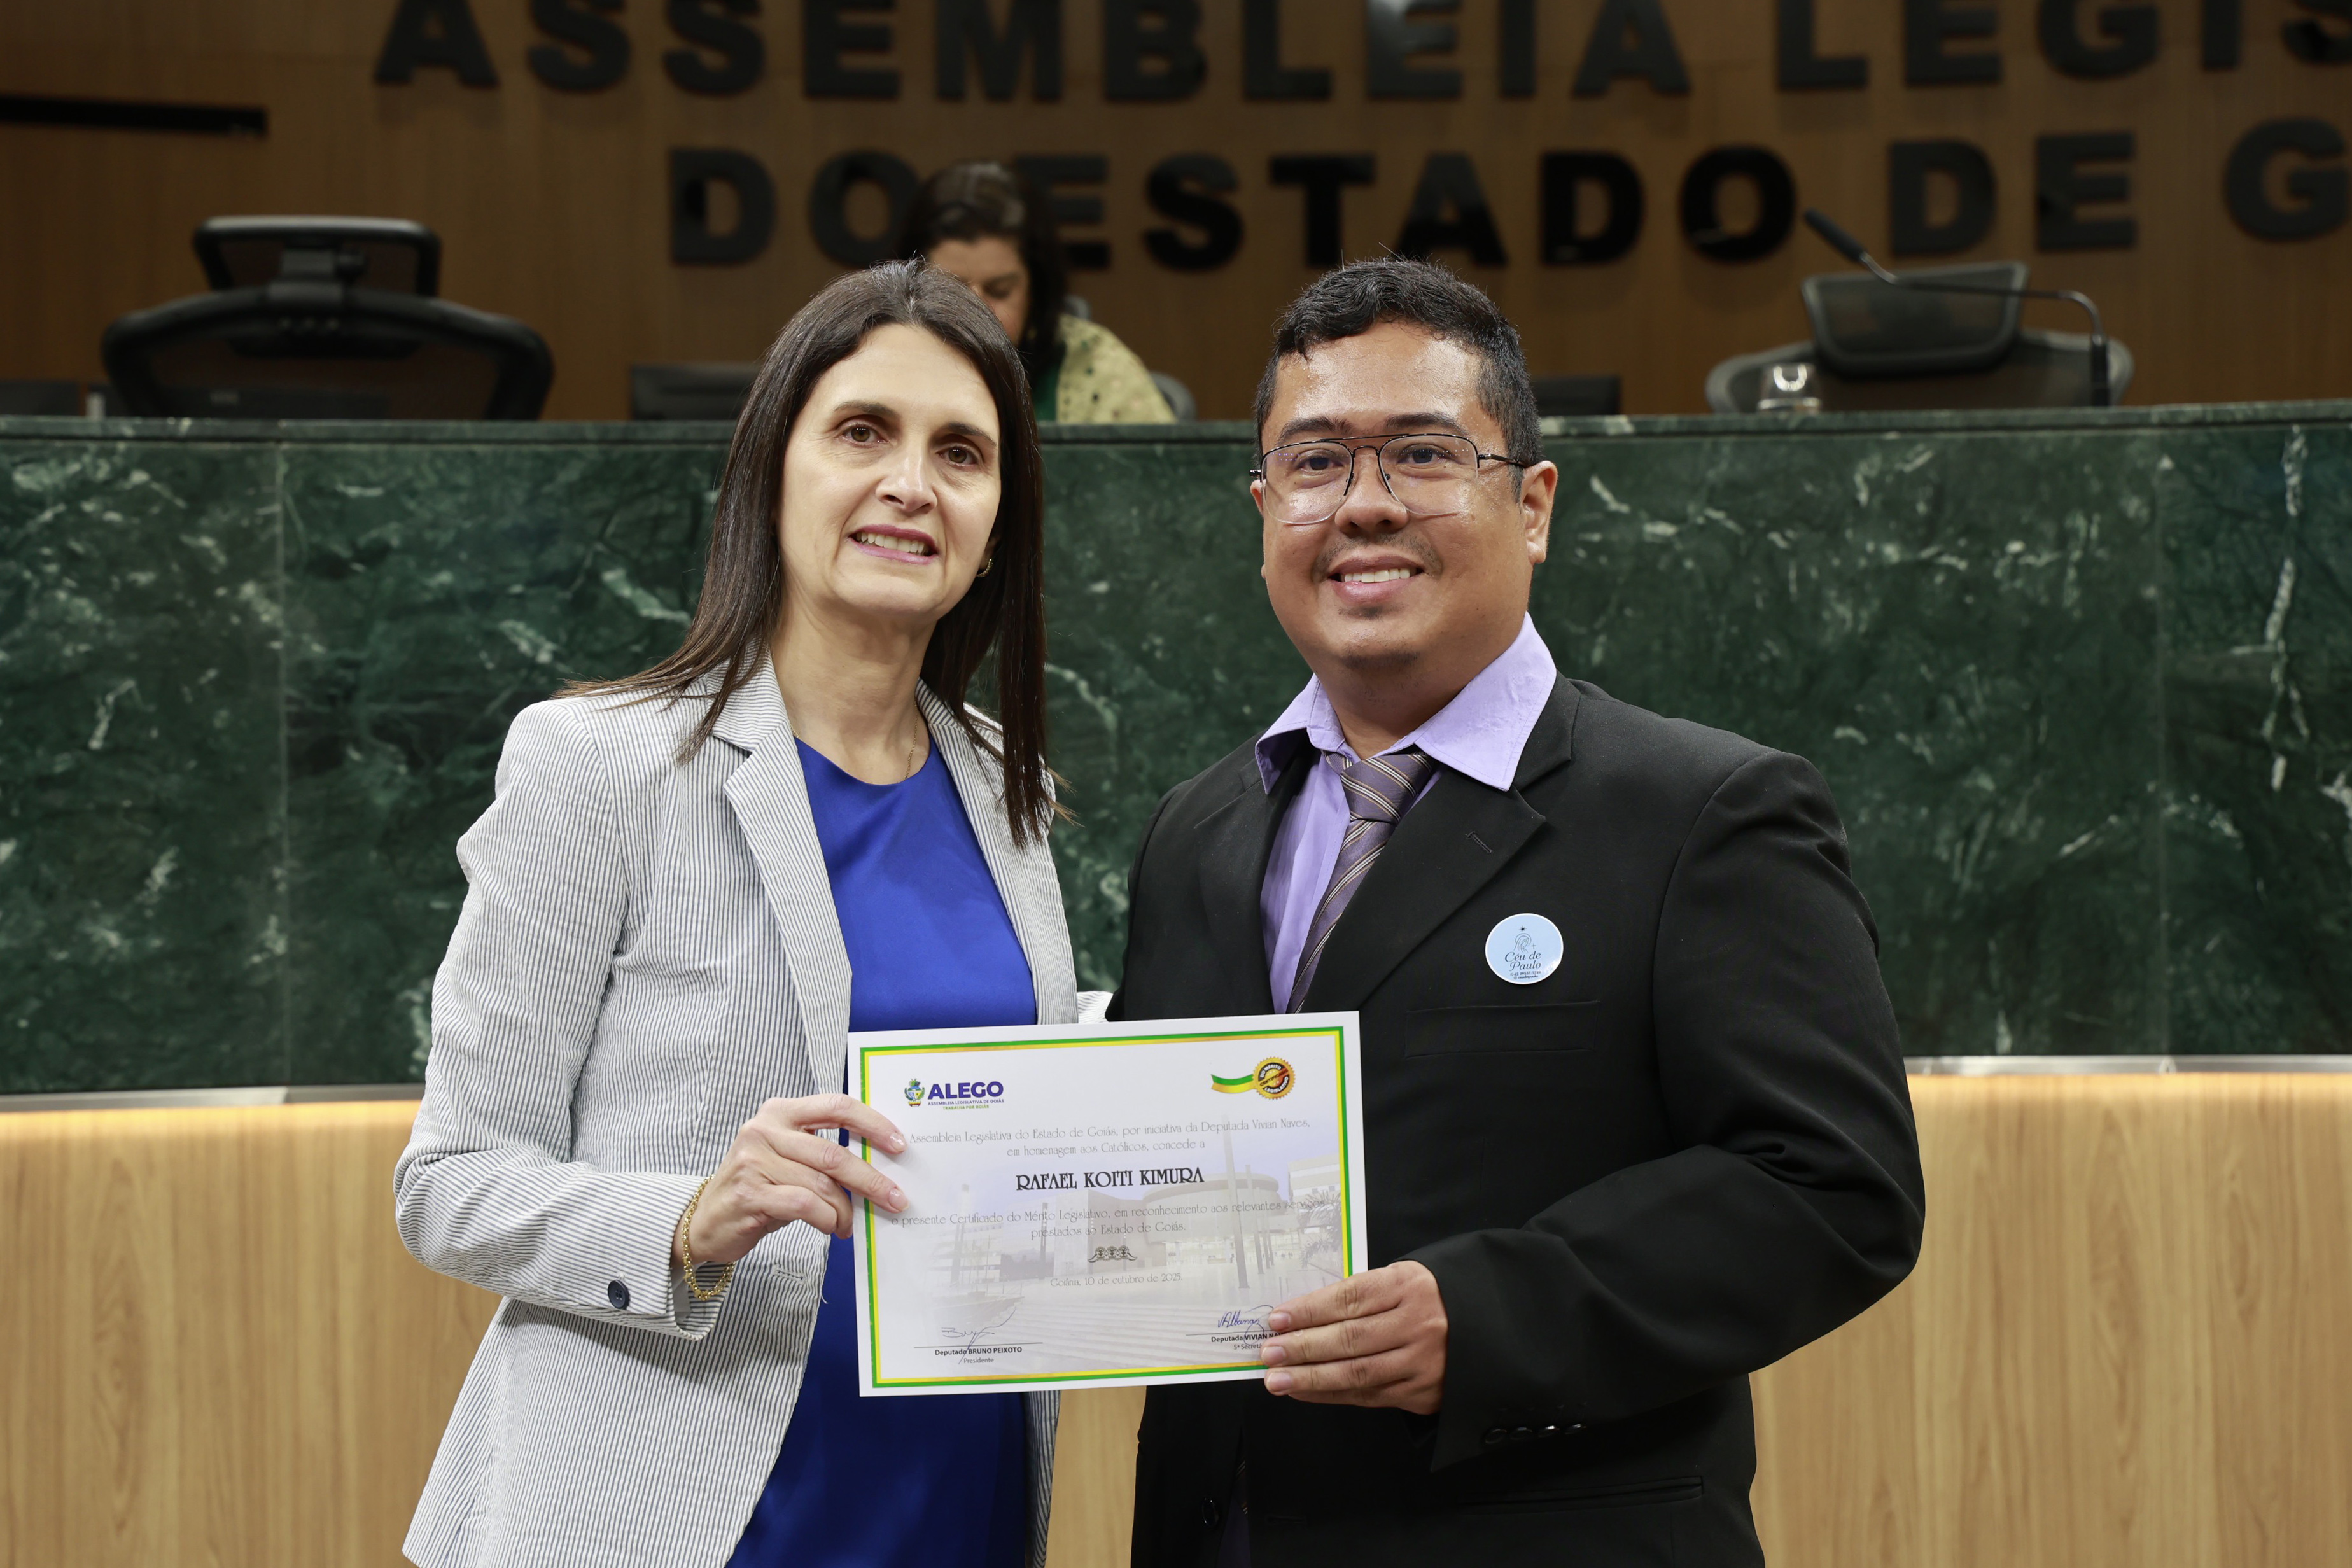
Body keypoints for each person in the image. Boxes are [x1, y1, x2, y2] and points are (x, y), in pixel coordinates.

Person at [1110, 258, 1927, 1566]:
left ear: (1534, 504)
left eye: (1424, 453)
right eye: (1315, 461)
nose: (1364, 503)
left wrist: (1489, 1316)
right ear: (1265, 508)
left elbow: (1834, 1185)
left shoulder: (1703, 810)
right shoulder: (1192, 831)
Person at [395, 262, 1080, 1568]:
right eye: (863, 431)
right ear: (772, 472)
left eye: (961, 452)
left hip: (954, 1496)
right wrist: (689, 1218)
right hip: (678, 1517)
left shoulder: (1009, 785)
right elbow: (451, 1181)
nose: (911, 483)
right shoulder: (597, 765)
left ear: (999, 520)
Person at [899, 160, 1175, 425]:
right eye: (952, 290)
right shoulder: (883, 355)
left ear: (1036, 292)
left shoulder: (1098, 368)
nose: (976, 313)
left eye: (1000, 291)